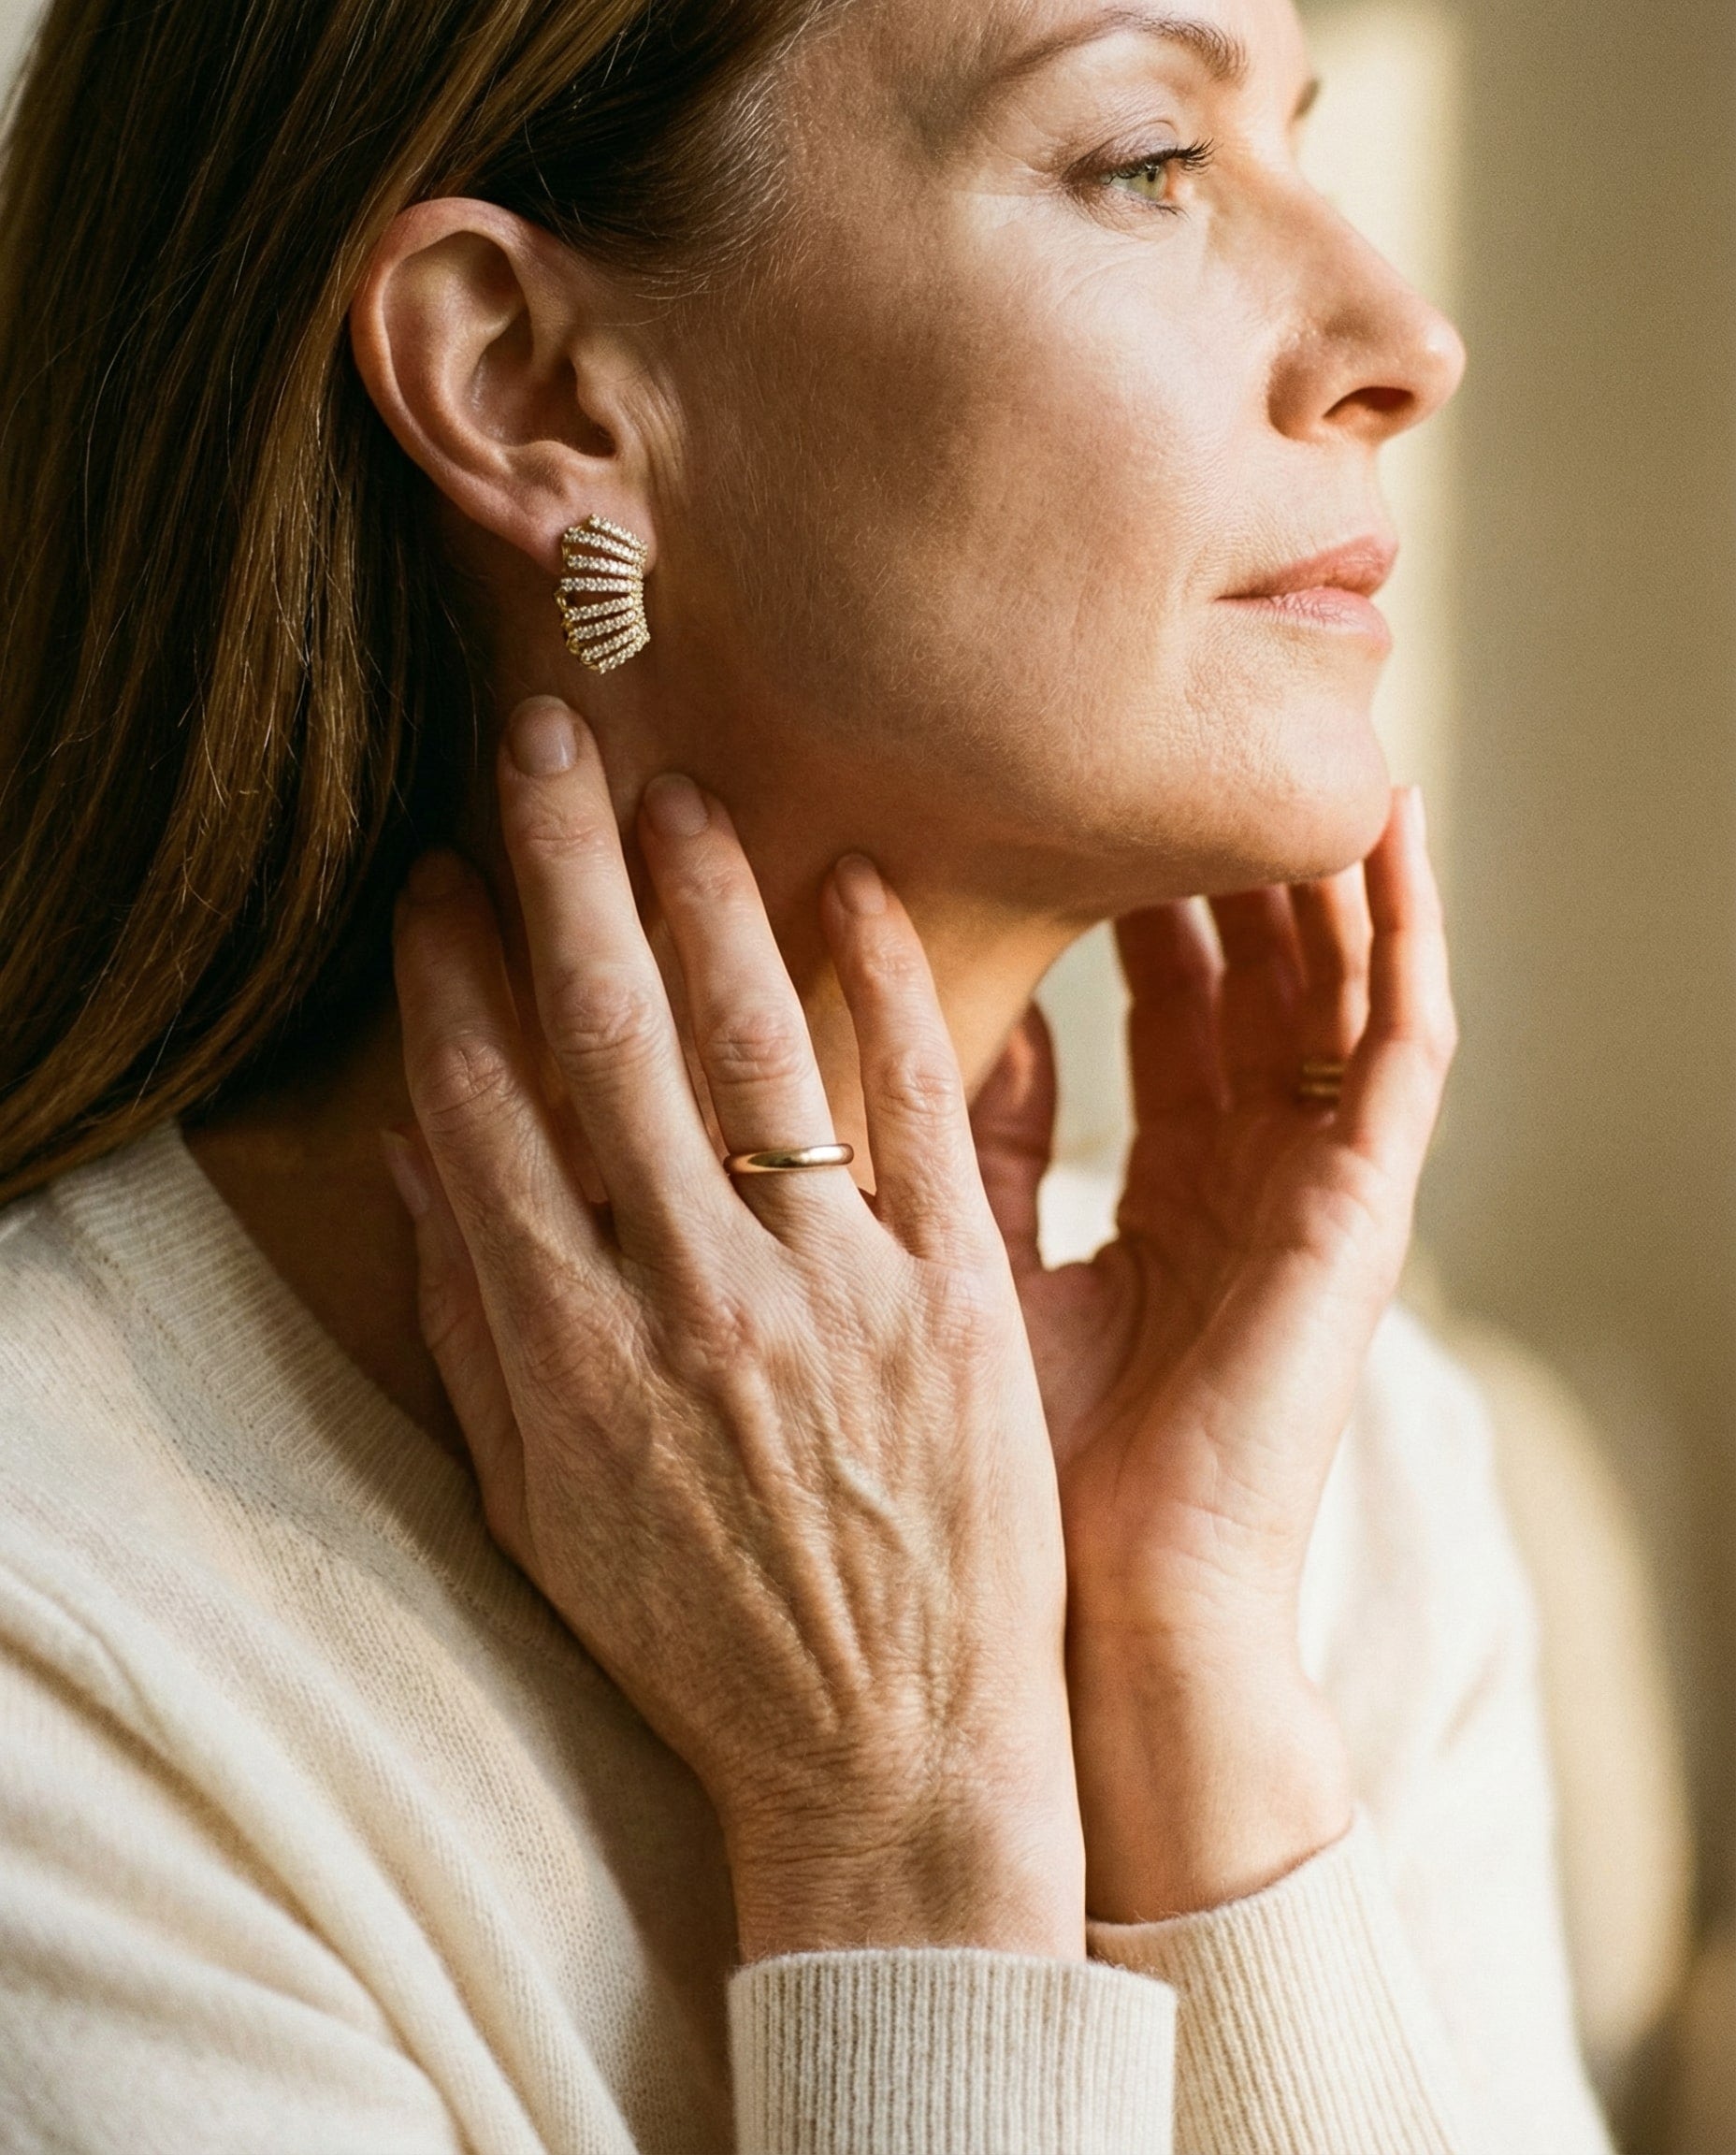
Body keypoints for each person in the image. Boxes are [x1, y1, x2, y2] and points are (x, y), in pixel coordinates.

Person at [0, 0, 1612, 2147]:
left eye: (1294, 141)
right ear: (530, 383)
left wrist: (1182, 1675)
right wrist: (904, 1817)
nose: (1405, 339)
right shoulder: (58, 1636)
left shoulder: (1333, 1468)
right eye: (1146, 163)